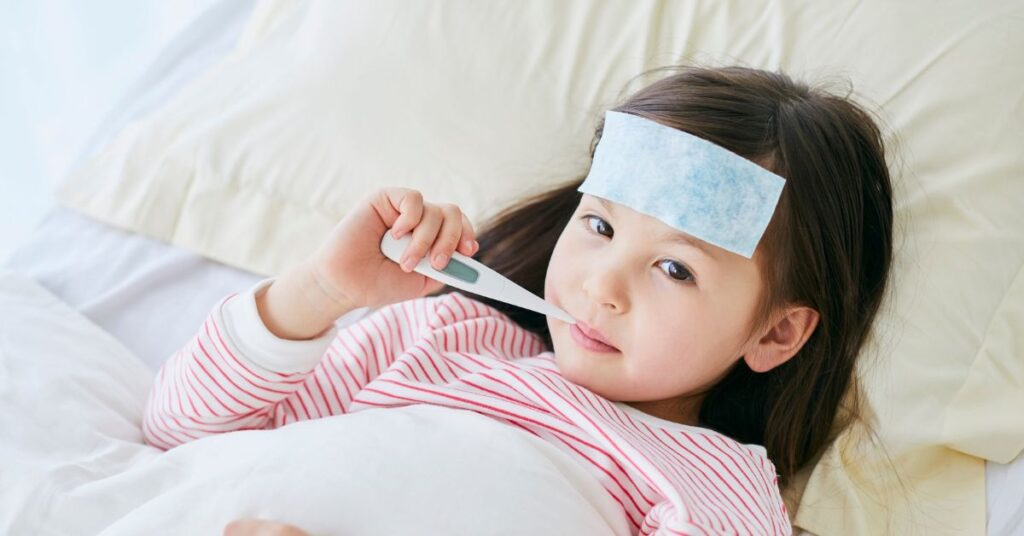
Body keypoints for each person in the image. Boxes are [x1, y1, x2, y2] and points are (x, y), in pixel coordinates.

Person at [143, 65, 894, 535]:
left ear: (778, 333)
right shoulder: (443, 336)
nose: (602, 285)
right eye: (598, 224)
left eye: (674, 270)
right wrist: (323, 290)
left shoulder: (717, 481)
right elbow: (181, 430)